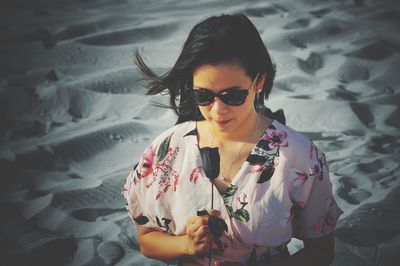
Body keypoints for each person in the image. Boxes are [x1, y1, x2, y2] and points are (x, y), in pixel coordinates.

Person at [122, 14, 343, 266]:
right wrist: (185, 244)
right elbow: (147, 239)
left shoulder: (300, 157)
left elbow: (321, 251)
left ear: (258, 81)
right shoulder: (168, 150)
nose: (218, 110)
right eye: (203, 95)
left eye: (233, 95)